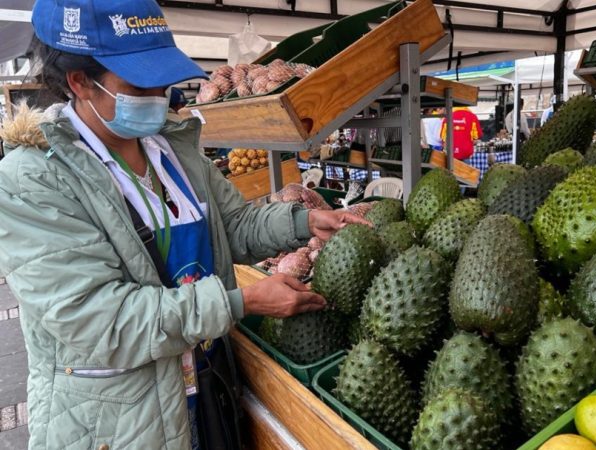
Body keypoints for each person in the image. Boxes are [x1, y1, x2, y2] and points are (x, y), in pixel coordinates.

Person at [0, 1, 368, 449]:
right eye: (140, 81)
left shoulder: (173, 151)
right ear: (80, 82)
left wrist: (303, 221)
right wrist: (238, 303)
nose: (158, 94)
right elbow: (101, 320)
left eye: (163, 80)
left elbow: (233, 224)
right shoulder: (33, 180)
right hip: (117, 422)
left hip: (203, 389)